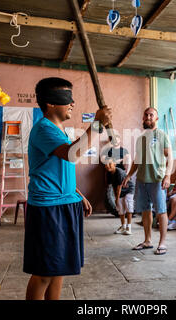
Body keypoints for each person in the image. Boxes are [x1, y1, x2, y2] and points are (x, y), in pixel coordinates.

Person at [24, 77, 111, 300]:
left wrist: (77, 194)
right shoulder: (44, 129)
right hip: (48, 208)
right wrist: (97, 125)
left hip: (64, 202)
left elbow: (60, 168)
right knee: (44, 273)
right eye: (66, 97)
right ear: (50, 103)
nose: (72, 102)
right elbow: (73, 154)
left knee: (58, 268)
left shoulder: (59, 131)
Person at [122, 107, 173, 255]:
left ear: (156, 118)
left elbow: (169, 157)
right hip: (142, 180)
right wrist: (128, 175)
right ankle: (147, 241)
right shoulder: (141, 138)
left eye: (151, 115)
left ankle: (162, 243)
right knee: (145, 211)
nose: (148, 117)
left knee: (161, 211)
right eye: (146, 115)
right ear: (143, 118)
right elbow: (137, 160)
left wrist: (168, 175)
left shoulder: (162, 135)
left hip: (157, 179)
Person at [105, 159, 135, 235]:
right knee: (120, 209)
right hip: (120, 191)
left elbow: (119, 187)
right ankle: (123, 226)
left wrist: (116, 199)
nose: (107, 166)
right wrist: (116, 199)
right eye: (106, 164)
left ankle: (129, 227)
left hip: (128, 189)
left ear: (114, 164)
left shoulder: (119, 172)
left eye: (110, 164)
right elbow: (112, 186)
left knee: (128, 205)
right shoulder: (108, 174)